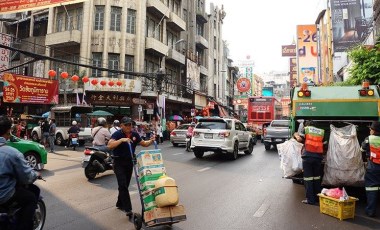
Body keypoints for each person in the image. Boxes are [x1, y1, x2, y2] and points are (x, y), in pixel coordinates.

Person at [107, 116, 155, 217]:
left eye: (130, 124)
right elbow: (110, 145)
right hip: (118, 162)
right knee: (123, 184)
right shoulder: (117, 134)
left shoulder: (134, 134)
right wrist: (121, 140)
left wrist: (151, 141)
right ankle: (128, 208)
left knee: (125, 185)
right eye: (126, 125)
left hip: (129, 162)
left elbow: (144, 144)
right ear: (121, 126)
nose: (129, 126)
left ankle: (120, 203)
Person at [0, 116, 41, 230]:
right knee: (31, 197)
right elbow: (26, 177)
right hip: (4, 195)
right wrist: (36, 175)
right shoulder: (12, 153)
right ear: (8, 131)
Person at [300, 120, 325, 205]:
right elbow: (324, 143)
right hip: (318, 157)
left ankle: (310, 200)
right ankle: (318, 197)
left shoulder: (306, 129)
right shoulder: (321, 132)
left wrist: (295, 135)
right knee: (317, 178)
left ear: (307, 124)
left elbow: (300, 139)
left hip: (308, 157)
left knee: (308, 179)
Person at [361, 121, 380, 217]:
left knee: (371, 188)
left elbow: (362, 149)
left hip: (373, 166)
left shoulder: (369, 139)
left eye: (370, 129)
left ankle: (370, 211)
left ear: (373, 130)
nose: (370, 130)